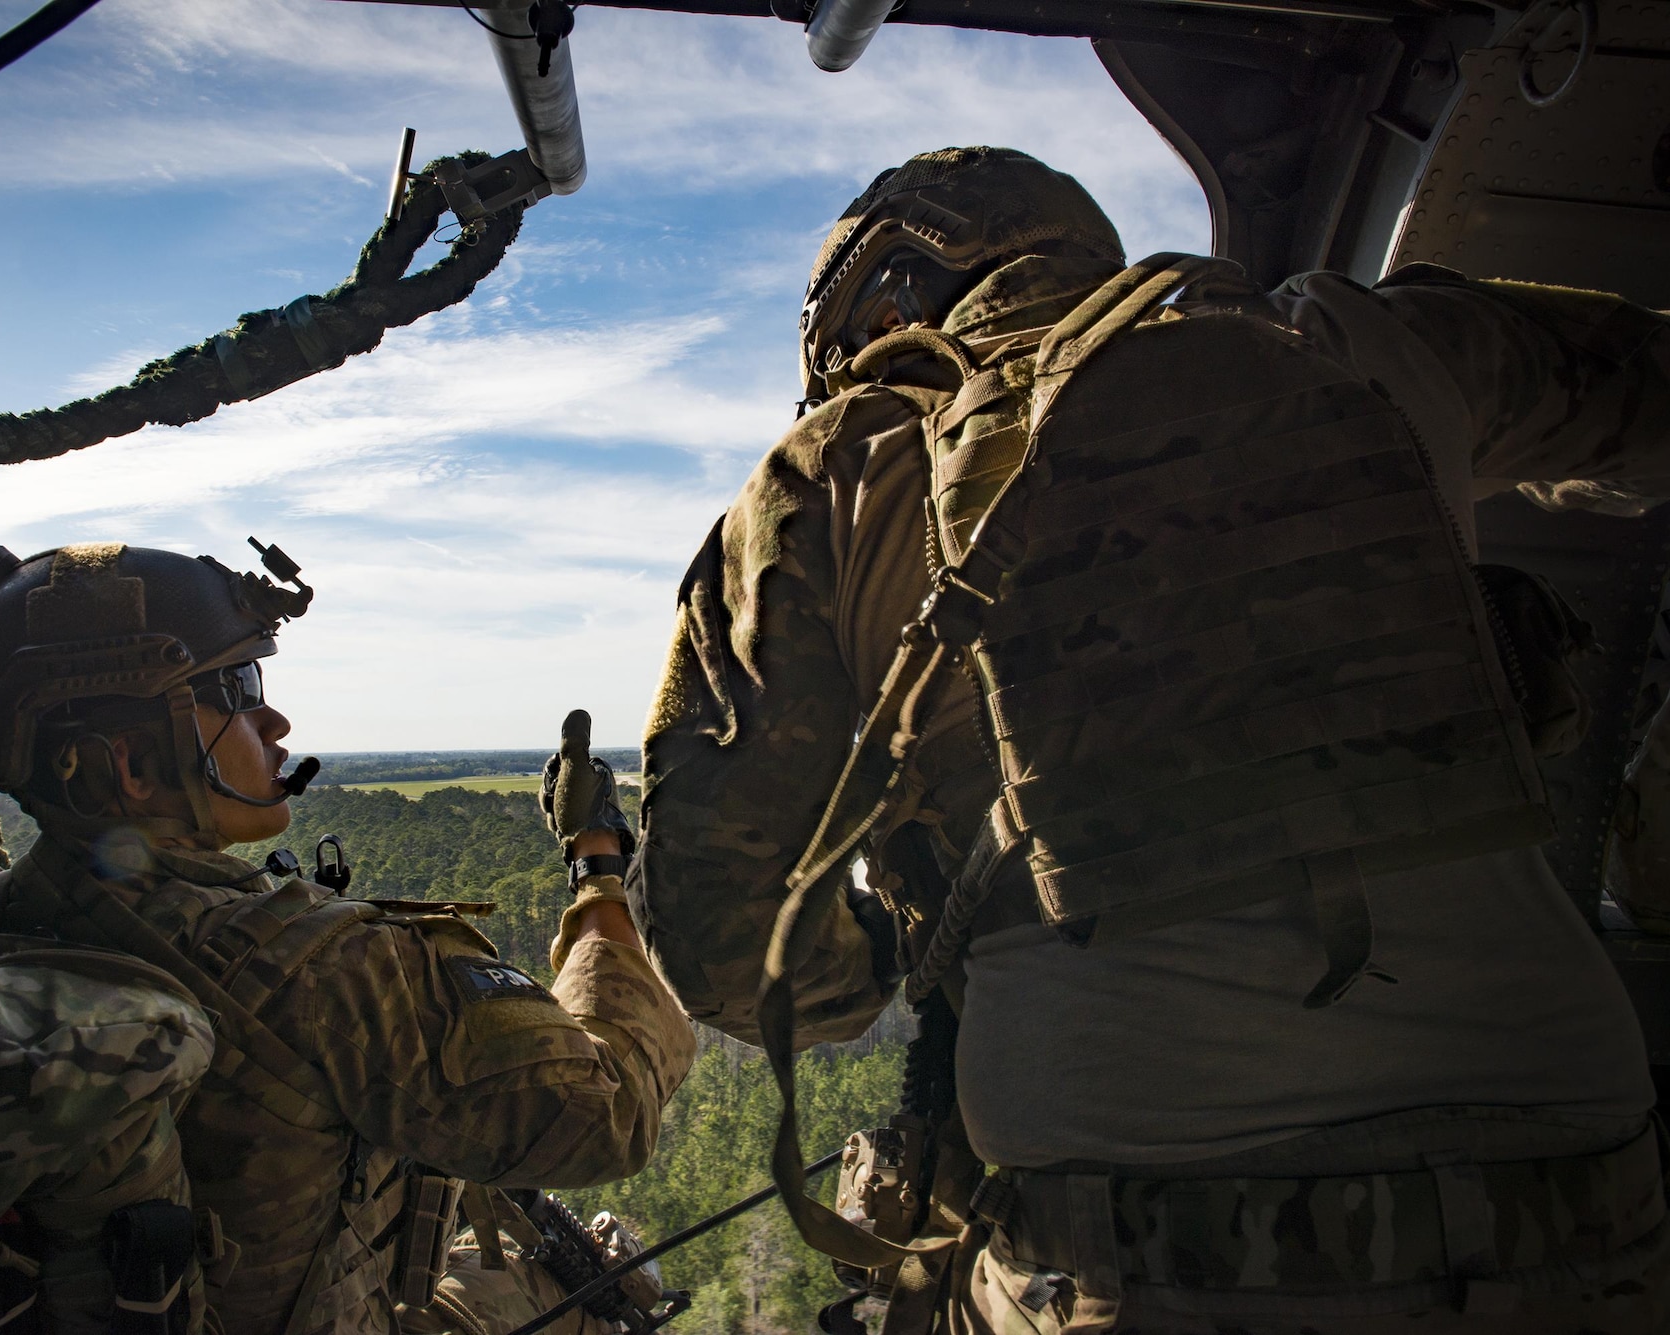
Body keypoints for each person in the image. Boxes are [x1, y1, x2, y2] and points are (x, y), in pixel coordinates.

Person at [627, 145, 1670, 1333]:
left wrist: (878, 964)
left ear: (887, 301)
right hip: (1583, 1197)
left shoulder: (838, 464)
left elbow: (717, 939)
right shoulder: (1360, 337)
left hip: (1148, 1242)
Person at [0, 539, 694, 1334]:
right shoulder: (323, 970)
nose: (274, 720)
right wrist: (599, 865)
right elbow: (609, 1113)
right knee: (574, 1298)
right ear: (127, 764)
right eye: (235, 688)